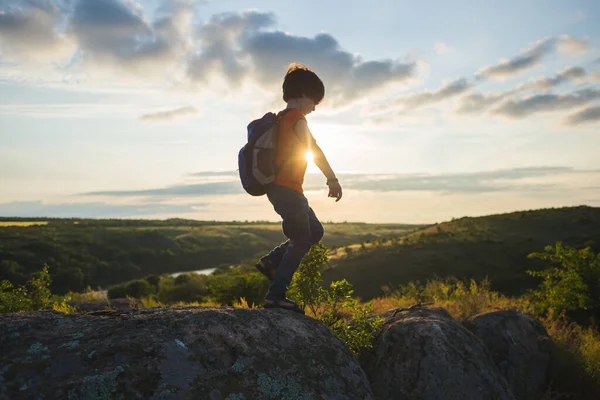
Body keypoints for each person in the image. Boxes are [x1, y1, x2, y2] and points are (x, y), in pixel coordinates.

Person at [255, 63, 343, 314]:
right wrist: (332, 179)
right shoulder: (297, 120)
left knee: (314, 231)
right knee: (303, 239)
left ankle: (272, 261)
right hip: (287, 189)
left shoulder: (281, 118)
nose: (315, 106)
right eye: (315, 100)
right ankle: (276, 296)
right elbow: (313, 151)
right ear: (303, 94)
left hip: (283, 189)